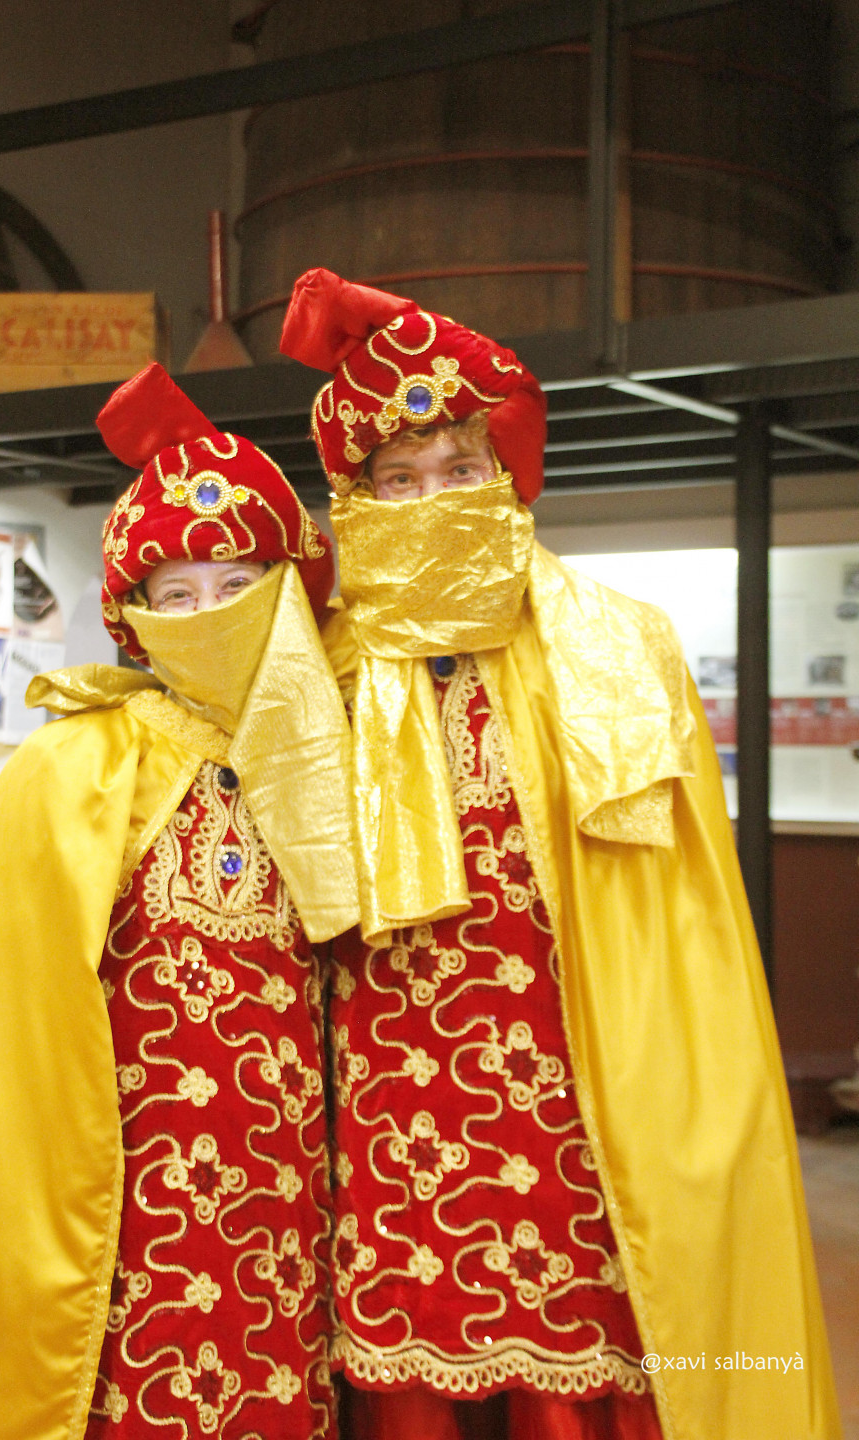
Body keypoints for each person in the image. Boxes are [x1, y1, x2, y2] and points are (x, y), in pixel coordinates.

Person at [280, 269, 842, 1440]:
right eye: (399, 480)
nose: (432, 497)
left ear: (506, 473)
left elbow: (683, 912)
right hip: (389, 1091)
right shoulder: (318, 672)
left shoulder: (616, 648)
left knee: (589, 1352)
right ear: (357, 498)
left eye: (457, 469)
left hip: (578, 1079)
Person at [0, 362, 359, 1440]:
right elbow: (5, 1035)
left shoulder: (333, 761)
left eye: (237, 584)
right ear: (135, 616)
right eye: (178, 594)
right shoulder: (71, 768)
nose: (210, 614)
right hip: (127, 1215)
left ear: (287, 594)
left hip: (287, 1204)